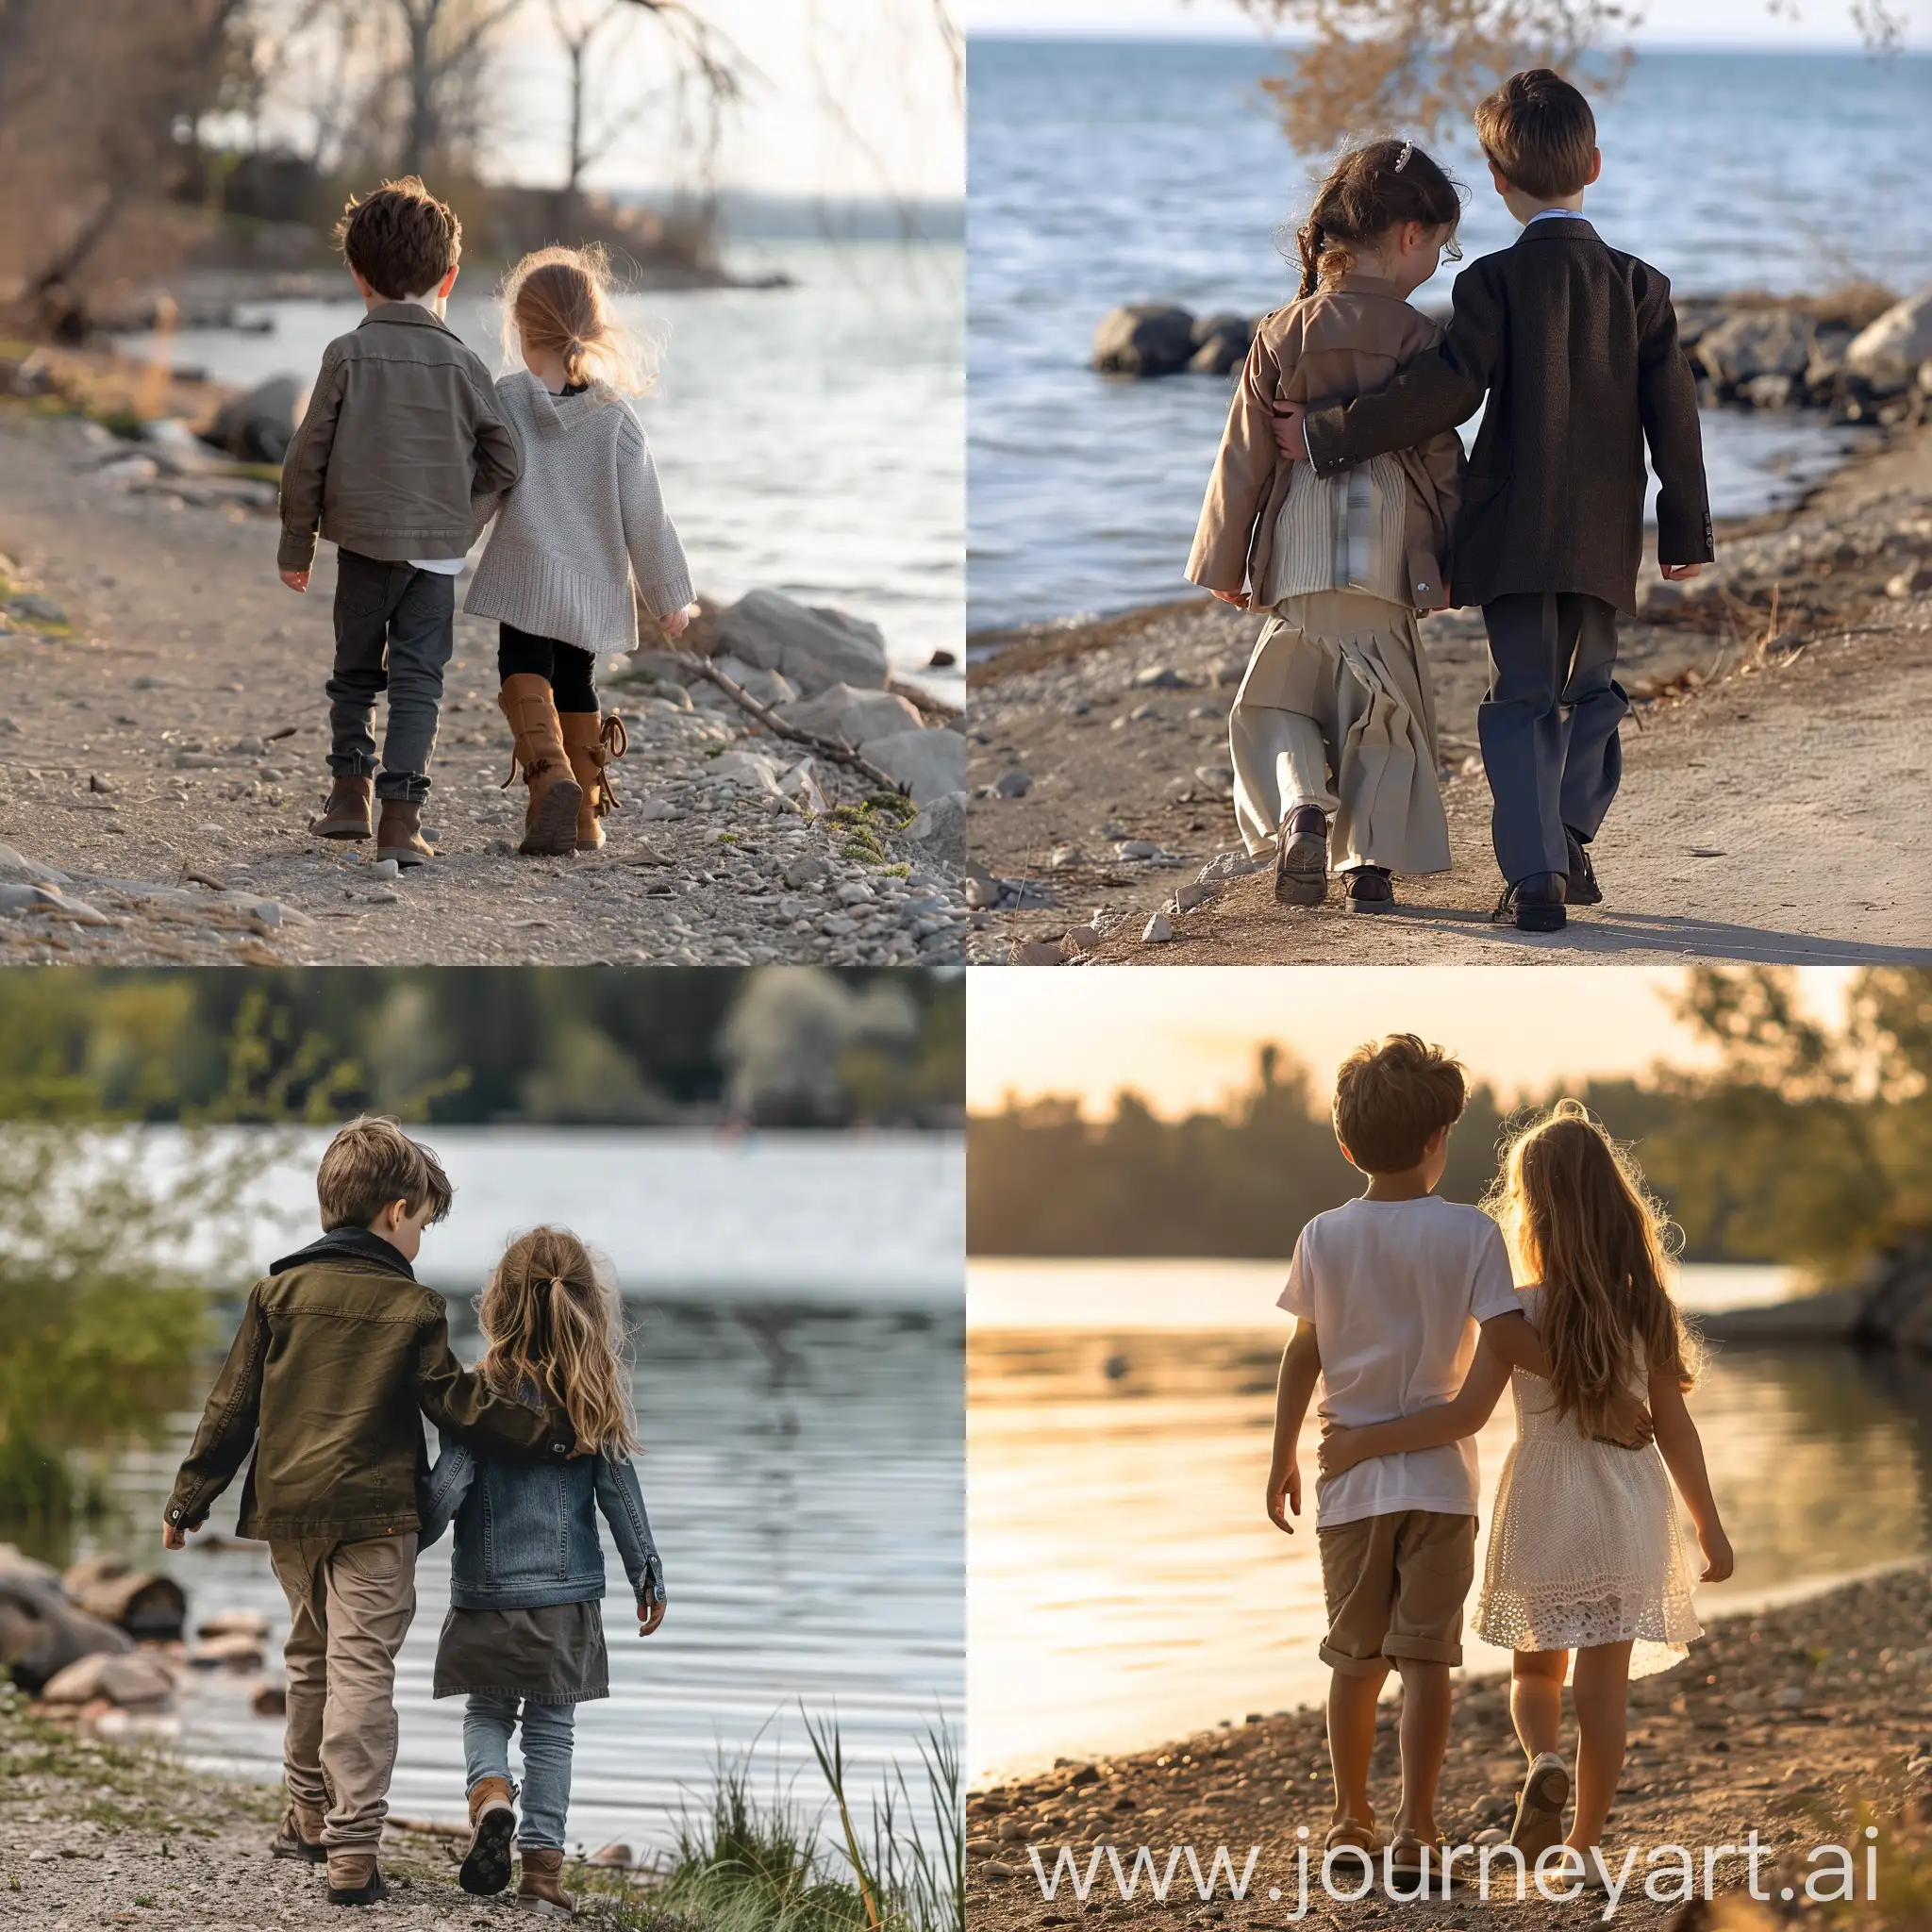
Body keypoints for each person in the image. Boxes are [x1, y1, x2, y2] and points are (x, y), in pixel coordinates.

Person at [1276, 70, 1712, 932]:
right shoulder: (1640, 287)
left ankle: (1540, 875)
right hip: (1602, 535)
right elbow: (1677, 416)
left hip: (1512, 533)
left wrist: (1330, 435)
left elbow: (1443, 393)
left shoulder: (1488, 287)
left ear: (1498, 181)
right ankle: (1570, 833)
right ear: (1594, 161)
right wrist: (1685, 527)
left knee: (1519, 699)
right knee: (1593, 692)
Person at [161, 1119, 574, 1907]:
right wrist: (548, 1432)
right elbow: (456, 1404)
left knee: (309, 1656)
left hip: (288, 1515)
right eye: (421, 1220)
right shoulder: (413, 1308)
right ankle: (352, 1852)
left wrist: (189, 1498)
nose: (419, 1235)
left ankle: (308, 1815)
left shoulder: (276, 1292)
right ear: (394, 1212)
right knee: (360, 1671)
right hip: (378, 1518)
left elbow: (231, 1408)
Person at [1320, 1101, 1733, 1881]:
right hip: (1629, 1506)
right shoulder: (1646, 1305)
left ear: (1531, 1209)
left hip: (1544, 1498)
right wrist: (1708, 1527)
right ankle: (1578, 1846)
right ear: (1619, 1203)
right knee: (1603, 1690)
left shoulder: (1519, 1308)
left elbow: (1466, 1413)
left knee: (1536, 1676)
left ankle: (1543, 1754)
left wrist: (1365, 1441)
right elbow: (1676, 1429)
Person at [1265, 1035, 1556, 1873]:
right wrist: (1597, 1374)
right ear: (1439, 1140)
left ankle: (1349, 1819)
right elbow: (1508, 1340)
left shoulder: (1322, 1235)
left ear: (1346, 1145)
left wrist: (1283, 1453)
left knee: (1355, 1661)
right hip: (1439, 1485)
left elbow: (1302, 1354)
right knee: (1428, 1660)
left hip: (1348, 1486)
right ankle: (1416, 1830)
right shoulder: (1471, 1235)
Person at [1189, 140, 1465, 914]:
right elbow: (1441, 458)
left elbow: (1243, 456)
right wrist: (1450, 558)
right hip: (1386, 538)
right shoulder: (1420, 339)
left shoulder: (1282, 331)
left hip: (1304, 539)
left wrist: (1225, 561)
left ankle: (1303, 808)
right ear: (1410, 235)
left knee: (1280, 704)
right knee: (1384, 708)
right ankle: (1369, 866)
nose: (1437, 266)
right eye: (1439, 249)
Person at [420, 1226, 667, 1918]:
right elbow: (621, 1496)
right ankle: (542, 1876)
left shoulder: (476, 1395)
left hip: (484, 1597)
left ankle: (491, 1793)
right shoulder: (593, 1397)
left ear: (497, 1303)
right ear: (591, 1307)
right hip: (566, 1603)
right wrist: (647, 1572)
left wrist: (399, 1545)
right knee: (552, 1732)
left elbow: (447, 1490)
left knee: (486, 1710)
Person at [278, 178, 523, 868]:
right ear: (448, 276)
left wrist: (296, 543)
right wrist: (461, 523)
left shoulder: (346, 356)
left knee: (354, 671)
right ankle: (400, 823)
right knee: (419, 679)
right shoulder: (465, 364)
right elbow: (508, 458)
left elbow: (306, 457)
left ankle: (346, 797)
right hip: (433, 561)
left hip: (360, 547)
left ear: (358, 277)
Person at [462, 245, 696, 857]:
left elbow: (483, 487)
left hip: (525, 577)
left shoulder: (507, 400)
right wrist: (670, 597)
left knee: (522, 666)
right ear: (591, 328)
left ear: (520, 327)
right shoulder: (615, 417)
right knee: (576, 680)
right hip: (592, 587)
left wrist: (438, 547)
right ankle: (586, 814)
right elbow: (648, 516)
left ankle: (552, 779)